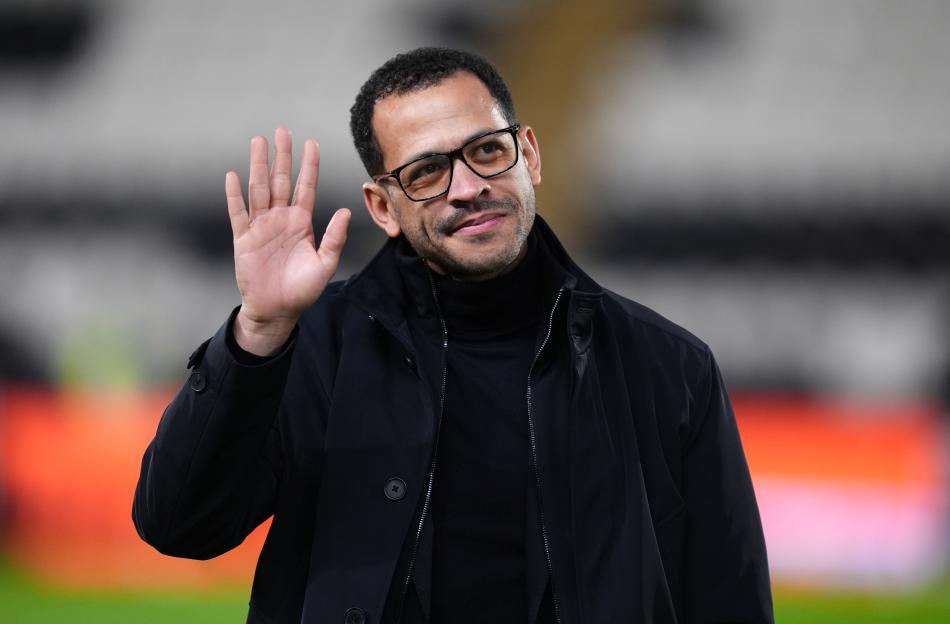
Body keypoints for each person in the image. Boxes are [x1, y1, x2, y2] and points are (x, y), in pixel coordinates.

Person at [133, 47, 773, 624]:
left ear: (531, 155)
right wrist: (261, 328)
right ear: (384, 207)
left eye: (488, 151)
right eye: (426, 172)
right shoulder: (313, 345)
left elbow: (728, 598)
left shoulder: (669, 365)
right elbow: (180, 525)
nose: (468, 188)